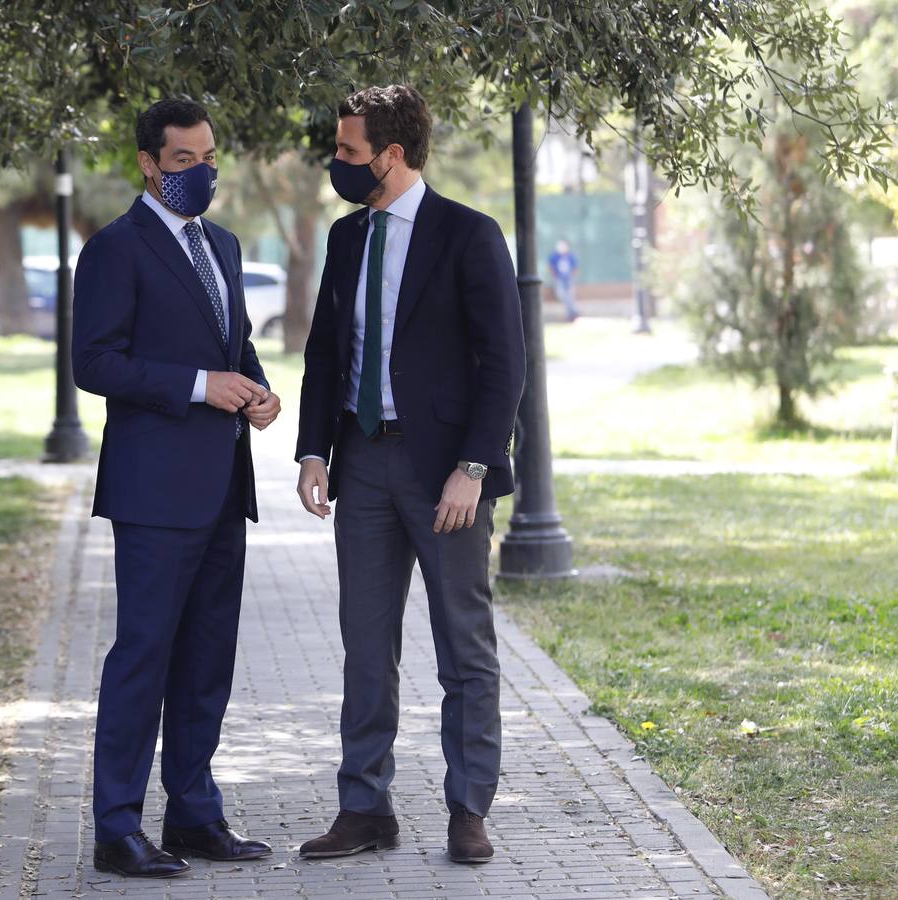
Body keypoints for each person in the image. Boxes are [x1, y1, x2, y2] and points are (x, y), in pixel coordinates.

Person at [294, 85, 526, 866]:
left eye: (350, 152)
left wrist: (473, 467)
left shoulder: (468, 234)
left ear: (392, 156)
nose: (339, 163)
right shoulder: (345, 237)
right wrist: (313, 450)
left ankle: (468, 808)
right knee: (366, 643)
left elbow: (506, 363)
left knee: (463, 645)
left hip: (444, 475)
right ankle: (364, 807)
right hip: (360, 461)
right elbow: (325, 351)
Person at [72, 98, 280, 880]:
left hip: (225, 485)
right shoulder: (115, 250)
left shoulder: (222, 246)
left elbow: (237, 343)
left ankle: (194, 814)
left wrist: (258, 392)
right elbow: (92, 364)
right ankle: (116, 829)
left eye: (209, 157)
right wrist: (199, 386)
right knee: (145, 657)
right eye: (184, 161)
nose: (201, 173)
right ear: (149, 166)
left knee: (206, 660)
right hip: (154, 491)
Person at [547, 239, 580, 321]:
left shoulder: (570, 256)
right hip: (559, 279)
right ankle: (573, 312)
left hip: (568, 279)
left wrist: (571, 276)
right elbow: (550, 266)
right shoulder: (554, 256)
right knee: (561, 294)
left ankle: (571, 314)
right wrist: (554, 276)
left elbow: (576, 267)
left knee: (570, 296)